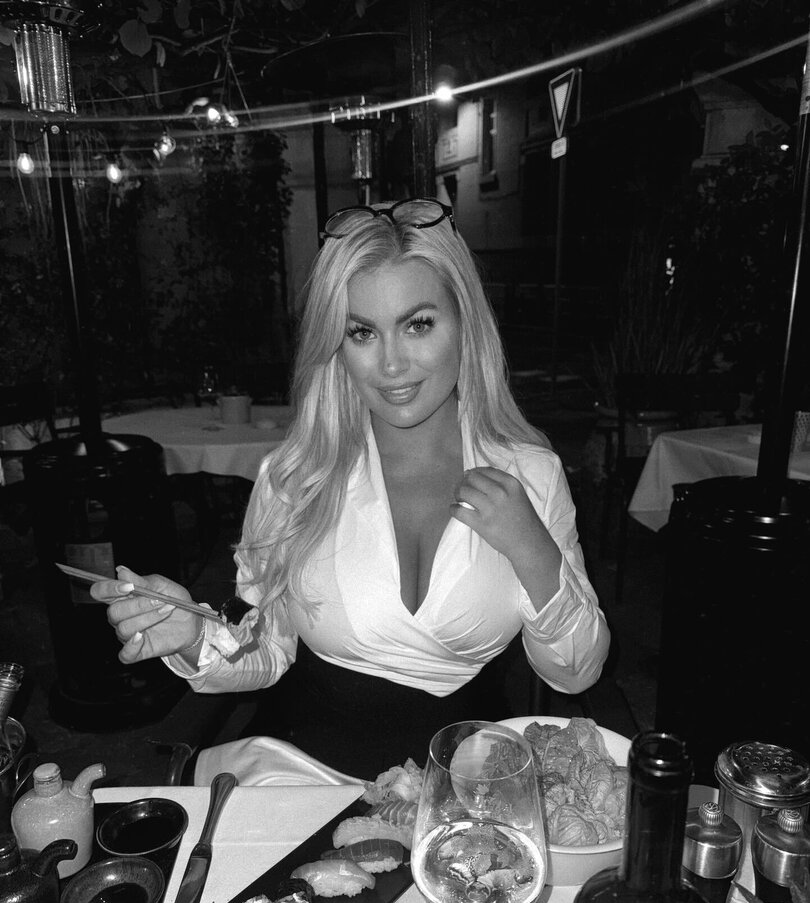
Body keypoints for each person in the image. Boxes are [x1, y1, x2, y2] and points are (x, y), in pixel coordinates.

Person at [92, 198, 610, 775]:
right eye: (362, 332)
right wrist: (193, 635)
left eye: (418, 324)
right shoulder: (296, 478)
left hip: (463, 787)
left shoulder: (531, 474)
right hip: (305, 776)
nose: (391, 365)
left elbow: (576, 673)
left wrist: (533, 549)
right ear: (335, 346)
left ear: (465, 323)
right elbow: (266, 650)